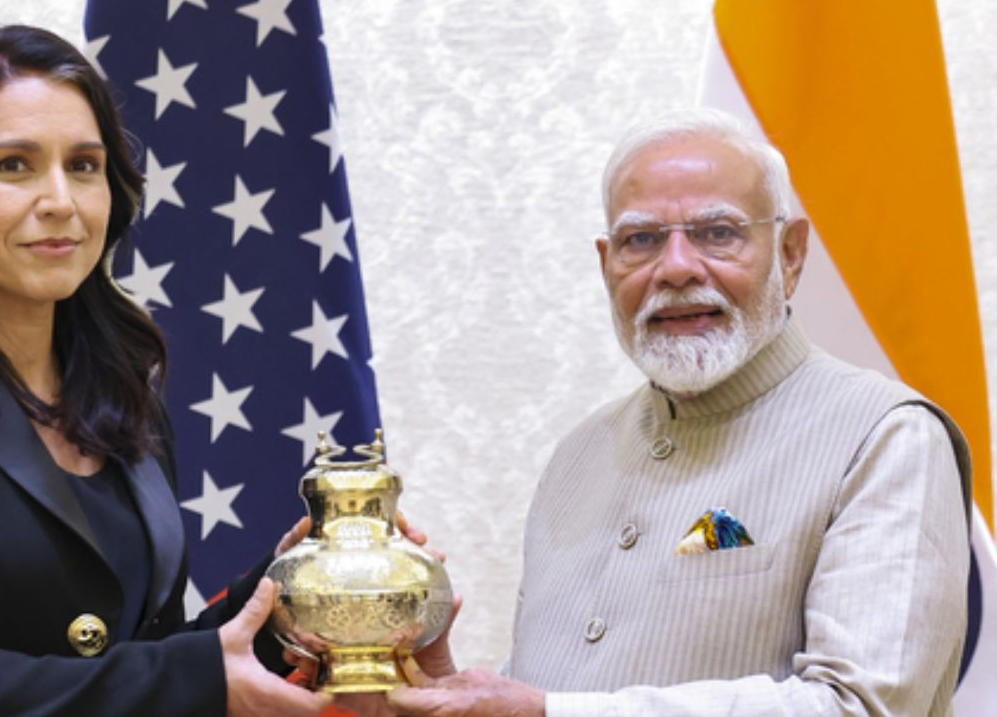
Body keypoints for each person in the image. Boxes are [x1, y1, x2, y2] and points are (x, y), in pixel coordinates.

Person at [0, 25, 334, 717]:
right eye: (13, 165)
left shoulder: (123, 387)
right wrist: (195, 676)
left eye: (84, 165)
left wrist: (291, 591)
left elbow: (144, 657)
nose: (61, 201)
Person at [386, 109, 972, 716]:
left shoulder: (887, 438)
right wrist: (434, 685)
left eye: (718, 233)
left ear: (791, 253)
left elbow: (862, 704)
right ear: (606, 264)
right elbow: (556, 693)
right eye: (641, 240)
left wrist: (548, 713)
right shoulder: (579, 456)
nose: (675, 268)